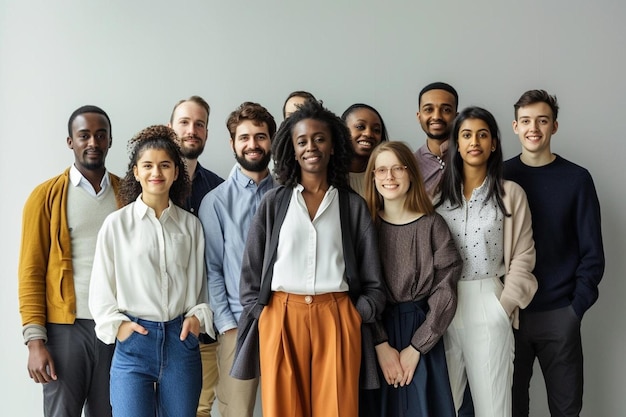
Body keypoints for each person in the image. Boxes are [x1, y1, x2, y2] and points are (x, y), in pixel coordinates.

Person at [231, 99, 386, 417]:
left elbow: (373, 281)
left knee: (338, 410)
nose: (311, 147)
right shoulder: (273, 203)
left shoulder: (351, 206)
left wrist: (355, 315)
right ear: (292, 148)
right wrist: (265, 318)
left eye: (319, 138)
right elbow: (250, 275)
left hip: (338, 317)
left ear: (333, 146)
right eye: (302, 141)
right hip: (281, 317)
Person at [89, 125, 213, 417]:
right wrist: (121, 328)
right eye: (147, 165)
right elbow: (101, 288)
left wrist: (196, 319)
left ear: (175, 172)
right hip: (134, 343)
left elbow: (200, 285)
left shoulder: (190, 226)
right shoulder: (116, 225)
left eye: (164, 165)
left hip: (180, 343)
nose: (156, 172)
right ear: (135, 172)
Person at [504, 90, 605, 417]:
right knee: (510, 408)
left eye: (542, 121)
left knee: (566, 410)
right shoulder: (499, 178)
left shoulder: (577, 179)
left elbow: (592, 252)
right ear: (515, 127)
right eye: (527, 121)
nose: (534, 128)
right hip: (510, 314)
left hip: (560, 312)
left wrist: (574, 309)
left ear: (554, 127)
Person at [435, 106, 537, 417]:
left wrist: (503, 307)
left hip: (487, 299)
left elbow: (523, 253)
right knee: (444, 404)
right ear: (456, 142)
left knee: (493, 407)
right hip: (443, 303)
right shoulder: (437, 196)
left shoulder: (510, 193)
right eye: (466, 135)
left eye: (482, 134)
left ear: (493, 143)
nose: (474, 141)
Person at [18, 105, 118, 417]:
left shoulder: (128, 192)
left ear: (110, 141)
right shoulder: (45, 196)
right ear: (70, 141)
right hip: (65, 331)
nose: (93, 142)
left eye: (100, 135)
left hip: (116, 328)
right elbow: (31, 272)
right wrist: (35, 341)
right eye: (84, 135)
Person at [364, 141, 461, 417]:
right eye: (381, 170)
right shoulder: (364, 227)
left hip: (423, 332)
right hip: (374, 333)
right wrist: (380, 345)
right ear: (372, 177)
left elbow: (447, 288)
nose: (389, 177)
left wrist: (417, 346)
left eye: (397, 168)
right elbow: (357, 289)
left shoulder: (433, 225)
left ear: (411, 173)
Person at [198, 102, 277, 417]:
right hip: (237, 326)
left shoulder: (289, 194)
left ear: (272, 140)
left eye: (260, 136)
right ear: (232, 143)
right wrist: (227, 326)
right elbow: (212, 270)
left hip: (284, 320)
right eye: (244, 137)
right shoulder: (216, 202)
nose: (253, 144)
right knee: (237, 412)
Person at [168, 95, 224, 416]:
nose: (192, 130)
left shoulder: (218, 190)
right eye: (184, 123)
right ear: (169, 128)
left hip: (204, 329)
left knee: (199, 410)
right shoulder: (146, 186)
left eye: (199, 124)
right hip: (154, 326)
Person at [413, 82, 459, 197]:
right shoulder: (410, 164)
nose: (437, 116)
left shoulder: (471, 157)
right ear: (419, 117)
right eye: (429, 109)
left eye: (446, 110)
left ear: (457, 117)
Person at [341, 103, 389, 196]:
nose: (368, 134)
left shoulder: (388, 177)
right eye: (360, 127)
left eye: (376, 130)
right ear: (343, 130)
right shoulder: (326, 177)